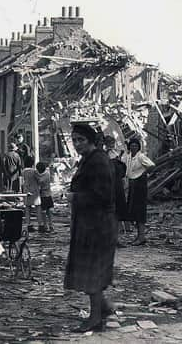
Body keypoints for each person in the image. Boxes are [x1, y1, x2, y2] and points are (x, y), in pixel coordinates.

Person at [64, 123, 117, 333]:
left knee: (92, 272)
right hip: (90, 224)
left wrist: (75, 198)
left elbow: (103, 196)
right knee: (91, 270)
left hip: (98, 227)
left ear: (91, 140)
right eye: (74, 140)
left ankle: (95, 319)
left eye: (81, 140)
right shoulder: (89, 159)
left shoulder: (99, 162)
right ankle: (103, 307)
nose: (77, 144)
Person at [122, 138, 155, 246]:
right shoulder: (128, 157)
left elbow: (151, 165)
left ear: (138, 147)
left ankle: (142, 236)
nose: (133, 147)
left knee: (140, 209)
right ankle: (139, 236)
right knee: (133, 210)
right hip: (132, 182)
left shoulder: (141, 156)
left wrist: (143, 173)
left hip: (140, 184)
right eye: (132, 145)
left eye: (136, 146)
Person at [104, 136, 127, 247]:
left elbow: (124, 171)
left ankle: (116, 239)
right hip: (107, 186)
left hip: (117, 185)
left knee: (117, 212)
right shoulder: (103, 155)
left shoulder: (119, 153)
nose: (111, 144)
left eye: (112, 142)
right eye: (109, 142)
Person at [22, 156, 44, 232]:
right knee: (38, 207)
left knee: (27, 208)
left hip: (26, 191)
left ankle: (28, 225)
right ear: (32, 163)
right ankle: (40, 224)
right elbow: (39, 179)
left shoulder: (24, 171)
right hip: (35, 190)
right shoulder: (34, 171)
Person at [36, 161, 54, 233]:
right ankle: (50, 225)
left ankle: (46, 225)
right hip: (48, 194)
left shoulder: (43, 176)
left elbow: (40, 181)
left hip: (44, 195)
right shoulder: (47, 173)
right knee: (49, 211)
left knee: (44, 211)